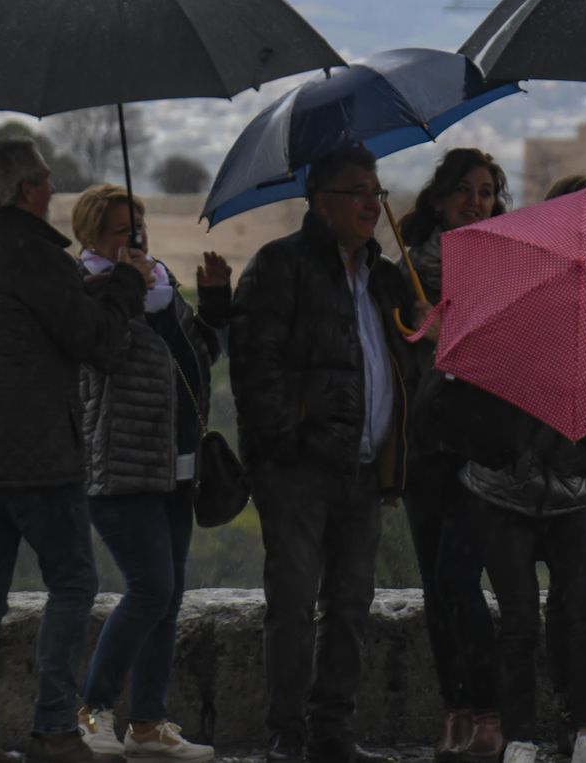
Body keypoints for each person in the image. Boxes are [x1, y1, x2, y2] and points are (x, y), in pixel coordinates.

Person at [0, 139, 154, 763]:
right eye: (44, 176)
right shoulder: (37, 255)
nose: (53, 185)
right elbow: (101, 345)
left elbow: (19, 329)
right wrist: (124, 285)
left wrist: (85, 291)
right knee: (72, 582)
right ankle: (55, 727)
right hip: (37, 452)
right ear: (27, 188)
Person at [230, 146, 425, 763]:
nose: (374, 204)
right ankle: (287, 735)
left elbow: (403, 370)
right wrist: (292, 441)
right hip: (298, 472)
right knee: (291, 604)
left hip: (364, 471)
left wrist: (423, 333)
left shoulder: (387, 276)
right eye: (359, 192)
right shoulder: (279, 266)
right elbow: (254, 370)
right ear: (321, 203)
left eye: (379, 192)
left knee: (349, 605)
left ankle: (333, 732)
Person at [451, 173, 586, 763]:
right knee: (518, 618)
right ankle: (521, 734)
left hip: (574, 486)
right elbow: (467, 405)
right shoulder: (510, 296)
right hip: (504, 489)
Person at [70, 185, 231, 763]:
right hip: (121, 469)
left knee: (169, 597)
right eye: (122, 233)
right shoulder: (89, 292)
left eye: (139, 231)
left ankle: (148, 721)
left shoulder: (161, 290)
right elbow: (104, 353)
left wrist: (212, 307)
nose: (136, 242)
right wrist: (127, 288)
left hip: (177, 469)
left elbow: (195, 359)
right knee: (151, 589)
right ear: (92, 238)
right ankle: (92, 707)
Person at [394, 149, 508, 763]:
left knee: (461, 579)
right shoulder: (406, 276)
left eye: (487, 191)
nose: (475, 201)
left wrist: (457, 338)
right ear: (439, 198)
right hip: (424, 449)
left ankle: (487, 709)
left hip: (480, 450)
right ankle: (455, 710)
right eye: (464, 189)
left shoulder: (503, 273)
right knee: (437, 588)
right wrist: (418, 333)